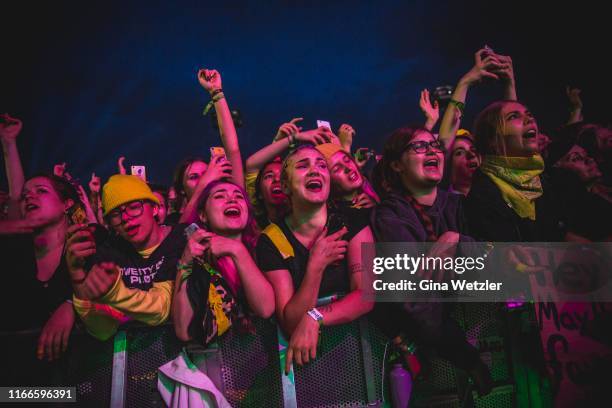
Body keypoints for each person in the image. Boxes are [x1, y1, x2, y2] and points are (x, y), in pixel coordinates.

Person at [371, 126, 492, 395]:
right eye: (418, 146)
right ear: (396, 165)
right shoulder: (390, 216)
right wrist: (468, 359)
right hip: (441, 358)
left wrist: (457, 240)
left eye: (435, 145)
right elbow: (412, 296)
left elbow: (502, 260)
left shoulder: (463, 204)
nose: (431, 151)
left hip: (493, 337)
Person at [255, 145, 374, 374]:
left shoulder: (353, 220)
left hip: (362, 356)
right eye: (302, 166)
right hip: (308, 370)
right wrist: (315, 266)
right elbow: (290, 322)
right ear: (285, 186)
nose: (314, 171)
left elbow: (366, 294)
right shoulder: (272, 240)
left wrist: (315, 316)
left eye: (321, 165)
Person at [65, 175, 186, 340]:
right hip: (131, 360)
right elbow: (103, 331)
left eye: (134, 207)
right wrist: (77, 274)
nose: (125, 218)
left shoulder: (180, 239)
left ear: (155, 208)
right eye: (116, 213)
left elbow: (162, 309)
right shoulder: (110, 252)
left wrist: (115, 293)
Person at [172, 180, 274, 344]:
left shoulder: (264, 247)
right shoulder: (197, 260)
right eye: (220, 196)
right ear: (203, 215)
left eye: (238, 197)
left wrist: (237, 250)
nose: (232, 200)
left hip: (268, 360)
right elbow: (184, 331)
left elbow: (265, 308)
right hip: (217, 365)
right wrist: (185, 263)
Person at [465, 100, 564, 242]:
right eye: (513, 117)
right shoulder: (484, 194)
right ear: (493, 139)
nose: (529, 119)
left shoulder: (552, 179)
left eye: (529, 114)